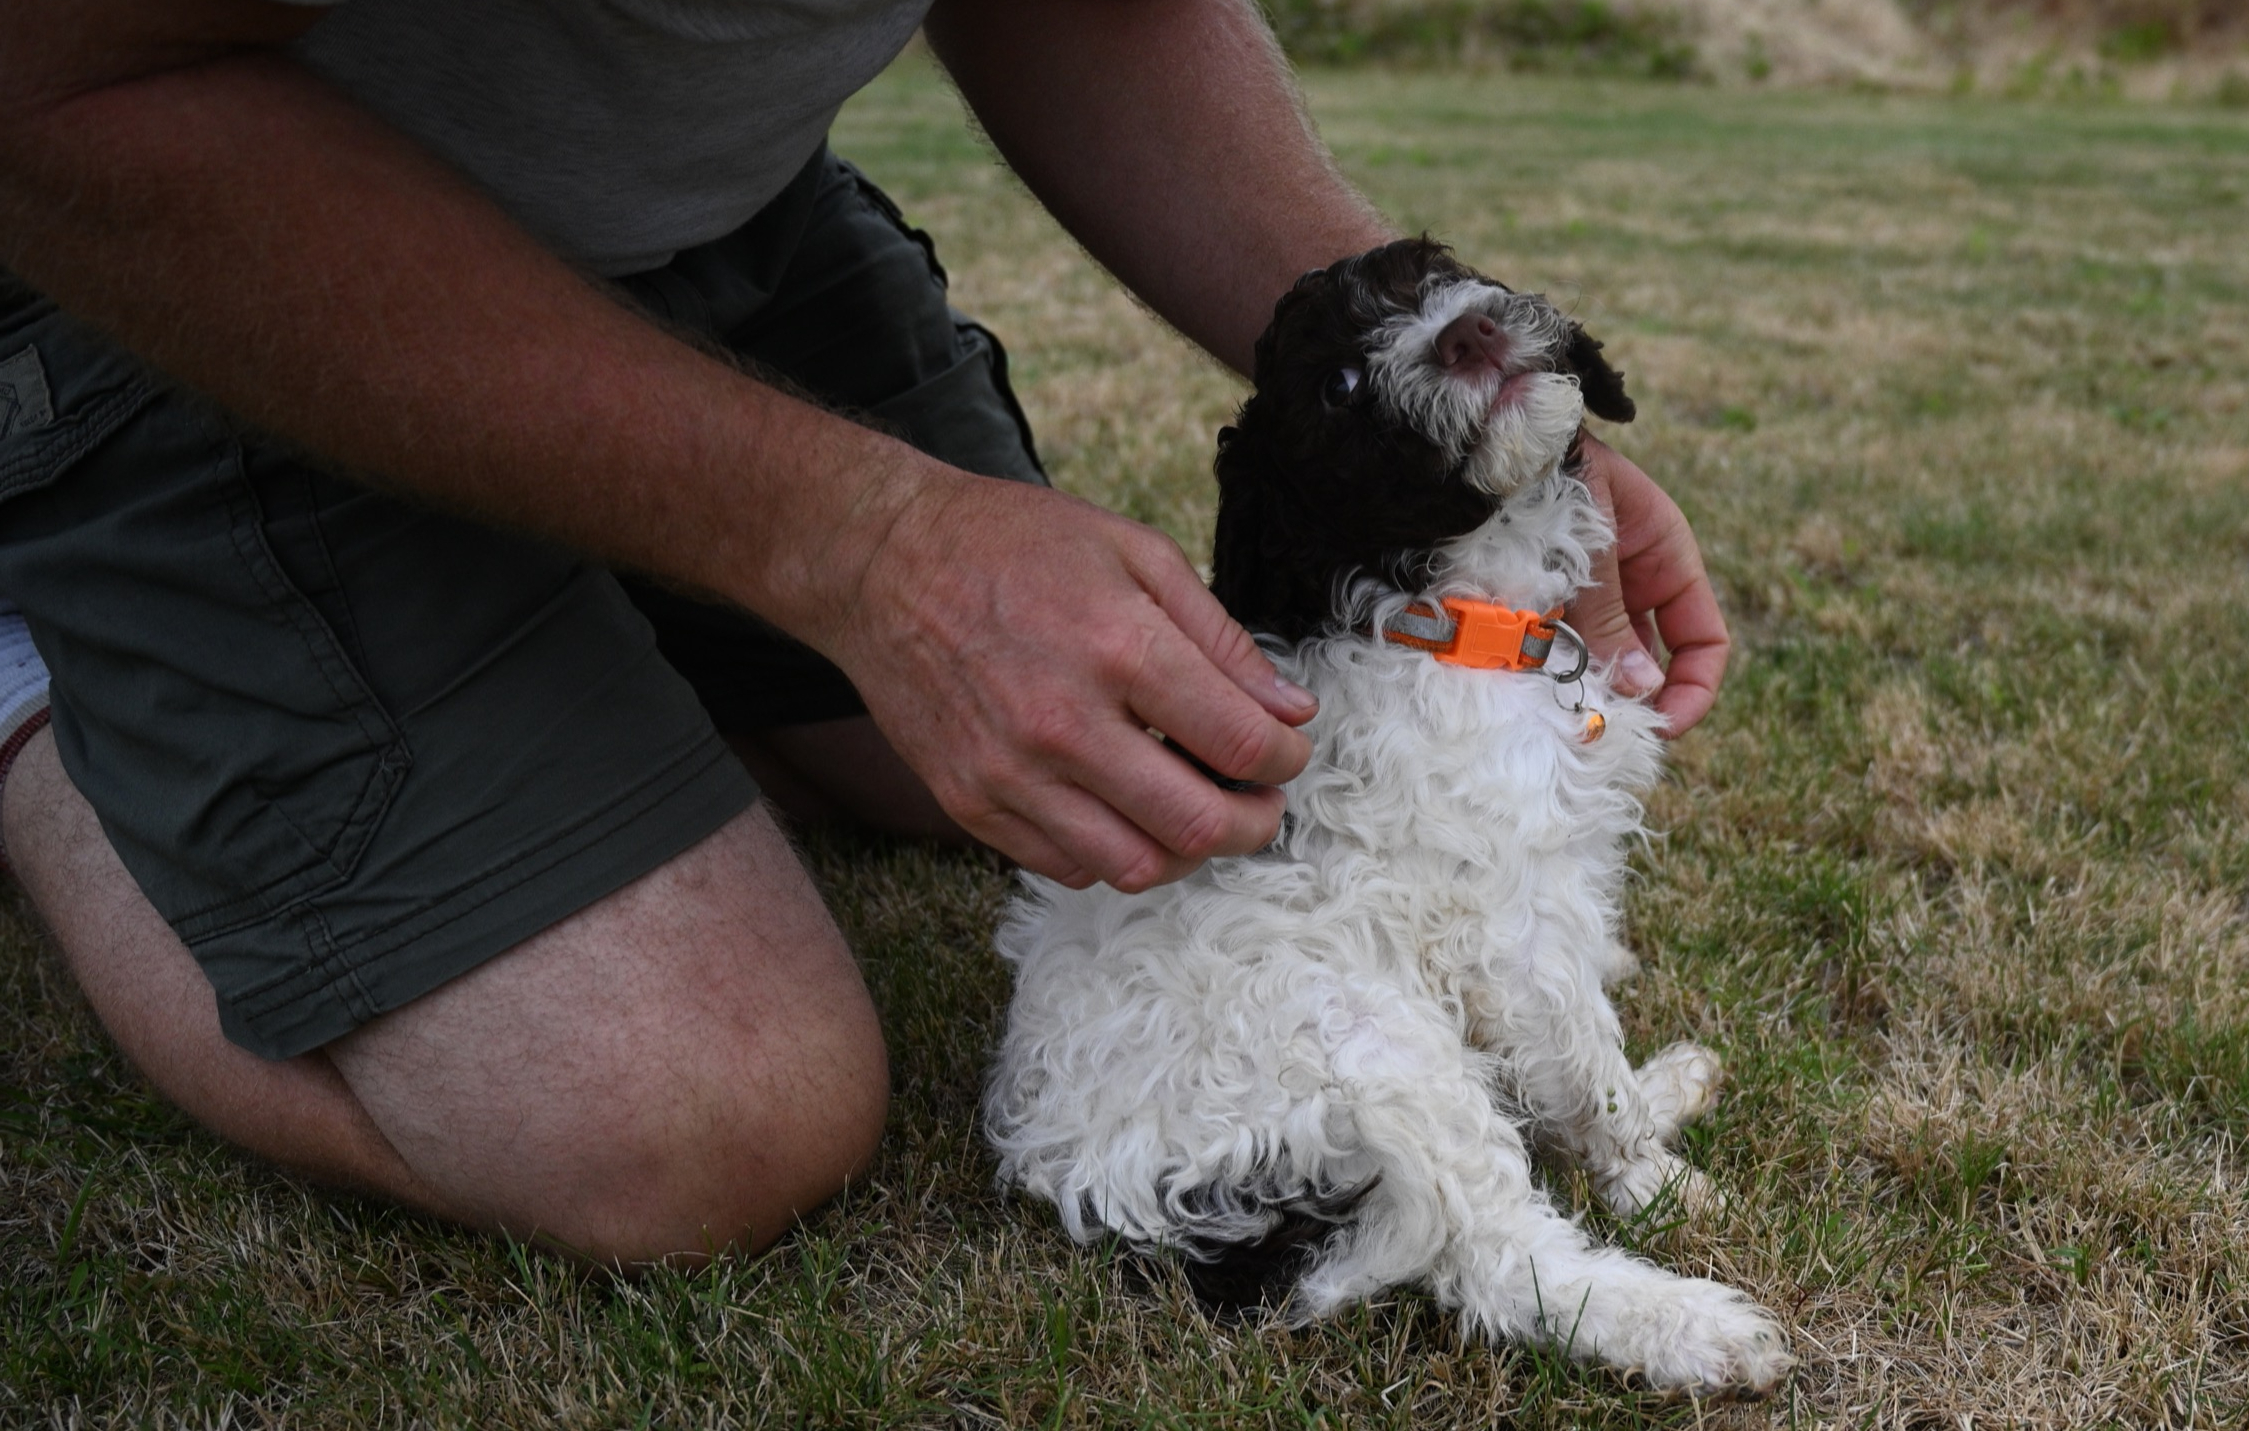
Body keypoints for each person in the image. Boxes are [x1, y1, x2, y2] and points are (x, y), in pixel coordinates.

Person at [0, 0, 1729, 1264]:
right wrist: (865, 542)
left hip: (710, 220)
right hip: (153, 252)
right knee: (694, 1119)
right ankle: (33, 671)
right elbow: (52, 86)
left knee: (1071, 774)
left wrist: (1425, 375)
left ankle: (559, 626)